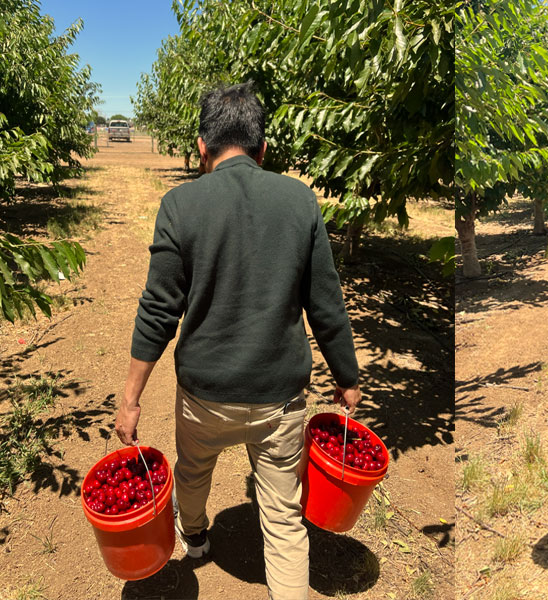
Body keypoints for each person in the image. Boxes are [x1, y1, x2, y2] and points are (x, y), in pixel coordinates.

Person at [114, 81, 362, 600]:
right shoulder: (300, 201)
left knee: (194, 470)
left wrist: (132, 397)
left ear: (202, 148)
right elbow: (326, 303)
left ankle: (197, 537)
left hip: (207, 395)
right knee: (284, 515)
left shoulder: (180, 206)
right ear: (263, 149)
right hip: (279, 398)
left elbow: (159, 309)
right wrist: (347, 378)